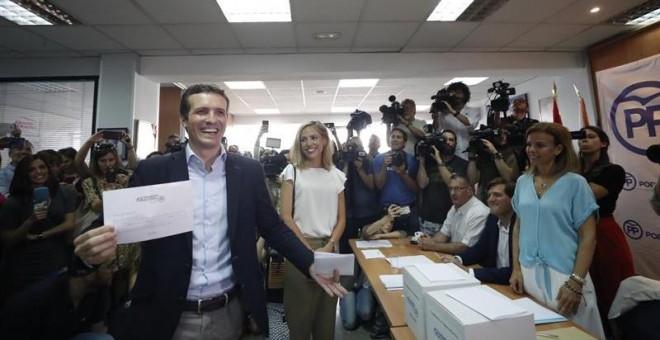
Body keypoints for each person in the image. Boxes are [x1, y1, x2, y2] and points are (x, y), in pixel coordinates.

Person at [73, 84, 346, 340]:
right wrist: (88, 253)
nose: (211, 119)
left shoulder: (247, 171)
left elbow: (272, 227)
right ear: (184, 120)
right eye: (201, 111)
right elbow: (107, 225)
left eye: (219, 112)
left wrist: (310, 263)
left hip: (228, 311)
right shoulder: (155, 171)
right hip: (168, 311)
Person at [509, 123, 604, 338]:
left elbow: (588, 236)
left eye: (540, 145)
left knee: (575, 333)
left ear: (559, 149)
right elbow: (518, 228)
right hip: (529, 272)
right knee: (541, 334)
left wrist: (576, 282)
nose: (531, 150)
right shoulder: (523, 182)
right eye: (529, 144)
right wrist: (515, 268)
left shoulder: (575, 184)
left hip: (566, 274)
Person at [279, 121, 346, 340]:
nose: (309, 143)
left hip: (330, 247)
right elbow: (286, 216)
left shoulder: (336, 174)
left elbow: (341, 218)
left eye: (314, 137)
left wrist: (329, 245)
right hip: (300, 248)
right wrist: (308, 250)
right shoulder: (292, 172)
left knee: (326, 317)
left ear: (325, 140)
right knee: (299, 317)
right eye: (304, 139)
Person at [0, 154, 77, 303]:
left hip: (55, 260)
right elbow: (7, 240)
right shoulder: (13, 202)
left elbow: (70, 223)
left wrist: (41, 235)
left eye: (42, 167)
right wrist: (31, 220)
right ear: (24, 174)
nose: (39, 172)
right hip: (23, 265)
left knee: (53, 307)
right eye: (32, 170)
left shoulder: (63, 193)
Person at [579, 125, 635, 324]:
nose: (584, 140)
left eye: (591, 136)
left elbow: (584, 196)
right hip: (576, 232)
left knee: (613, 284)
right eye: (581, 137)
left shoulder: (613, 171)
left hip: (603, 230)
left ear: (603, 143)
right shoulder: (571, 173)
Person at [0, 258, 116, 340]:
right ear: (88, 273)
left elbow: (98, 329)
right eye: (109, 266)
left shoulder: (99, 289)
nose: (115, 269)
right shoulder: (38, 299)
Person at [439, 178, 516, 284]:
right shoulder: (493, 219)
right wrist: (457, 259)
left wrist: (469, 272)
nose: (490, 200)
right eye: (489, 195)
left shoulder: (521, 227)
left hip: (513, 285)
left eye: (497, 195)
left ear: (513, 199)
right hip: (496, 282)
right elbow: (481, 248)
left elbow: (513, 271)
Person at [417, 174, 489, 254]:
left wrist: (433, 246)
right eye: (450, 189)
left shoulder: (479, 212)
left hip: (470, 262)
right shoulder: (454, 208)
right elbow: (443, 234)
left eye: (457, 189)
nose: (452, 193)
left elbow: (465, 247)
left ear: (469, 190)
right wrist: (427, 241)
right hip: (453, 258)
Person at [417, 129, 467, 236]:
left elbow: (451, 183)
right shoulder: (429, 161)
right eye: (444, 140)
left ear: (455, 144)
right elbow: (422, 184)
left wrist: (439, 160)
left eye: (451, 140)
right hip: (429, 219)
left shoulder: (462, 164)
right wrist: (422, 161)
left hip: (453, 219)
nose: (448, 142)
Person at [337, 136, 380, 254]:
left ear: (362, 147)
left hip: (368, 211)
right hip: (348, 212)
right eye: (351, 147)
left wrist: (360, 168)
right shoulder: (343, 160)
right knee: (347, 247)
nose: (354, 150)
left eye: (357, 146)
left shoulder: (367, 160)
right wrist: (346, 159)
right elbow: (340, 182)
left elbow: (372, 185)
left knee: (370, 247)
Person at [374, 128, 419, 235]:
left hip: (407, 209)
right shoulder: (379, 159)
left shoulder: (411, 159)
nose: (394, 139)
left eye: (398, 137)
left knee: (408, 246)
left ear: (404, 142)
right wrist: (385, 165)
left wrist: (403, 174)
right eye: (392, 137)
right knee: (385, 245)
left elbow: (416, 188)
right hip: (387, 210)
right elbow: (379, 185)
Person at [466, 130, 519, 202]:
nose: (502, 137)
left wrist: (494, 153)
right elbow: (473, 180)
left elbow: (509, 178)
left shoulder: (510, 154)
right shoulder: (484, 155)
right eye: (499, 134)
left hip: (504, 199)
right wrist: (472, 158)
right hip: (484, 198)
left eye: (504, 134)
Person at [435, 82, 481, 160]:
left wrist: (452, 111)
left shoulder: (473, 111)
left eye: (459, 93)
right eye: (453, 93)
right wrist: (436, 114)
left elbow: (470, 124)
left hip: (467, 152)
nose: (456, 95)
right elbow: (438, 129)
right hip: (449, 153)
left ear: (465, 95)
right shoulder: (443, 114)